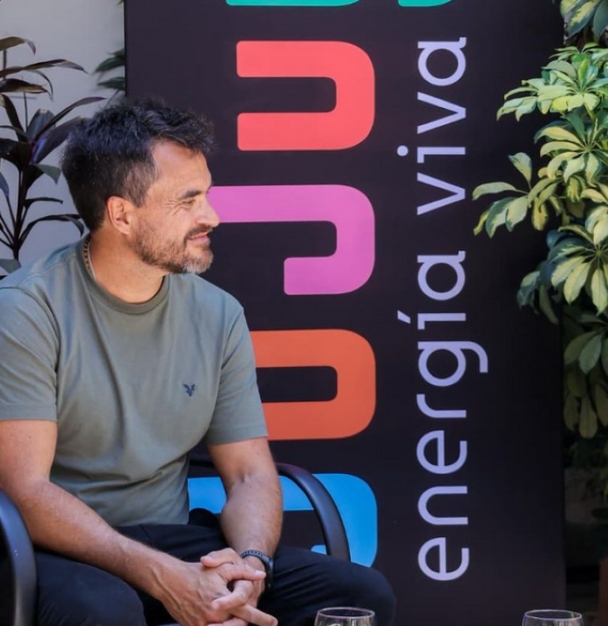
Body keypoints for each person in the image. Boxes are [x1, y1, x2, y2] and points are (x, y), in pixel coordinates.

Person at [0, 100, 395, 626]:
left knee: (358, 593)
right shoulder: (27, 309)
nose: (212, 216)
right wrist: (161, 575)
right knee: (105, 610)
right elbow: (26, 491)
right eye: (188, 201)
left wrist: (250, 570)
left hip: (174, 539)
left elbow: (249, 473)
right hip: (58, 549)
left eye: (205, 194)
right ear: (121, 214)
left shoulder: (217, 313)